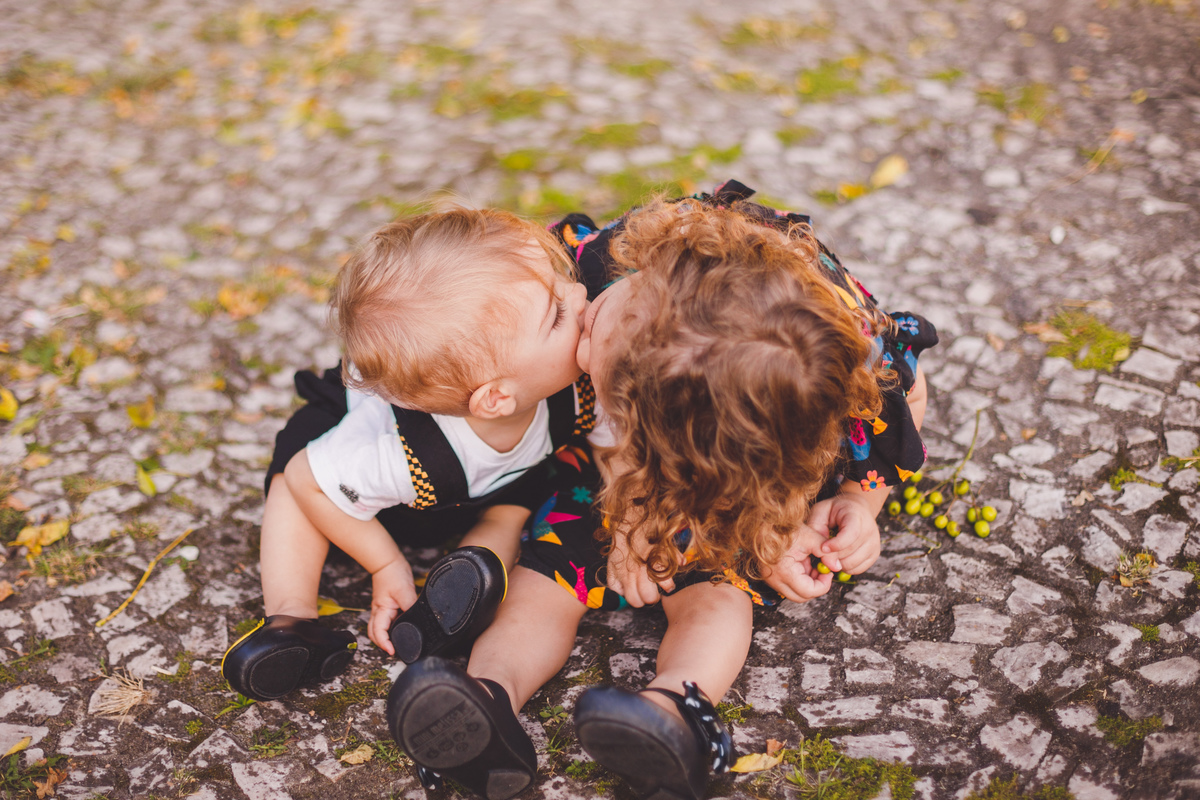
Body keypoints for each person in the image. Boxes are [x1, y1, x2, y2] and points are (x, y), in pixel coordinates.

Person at [385, 184, 936, 800]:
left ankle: (674, 712)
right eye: (602, 323)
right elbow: (595, 416)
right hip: (618, 466)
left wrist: (858, 502)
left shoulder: (861, 358)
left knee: (720, 596)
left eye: (596, 351)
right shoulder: (613, 266)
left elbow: (900, 412)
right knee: (546, 577)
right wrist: (627, 514)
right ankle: (488, 700)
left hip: (727, 476)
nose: (583, 337)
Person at [221, 206, 599, 702]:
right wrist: (384, 565)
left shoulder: (570, 380)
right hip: (369, 486)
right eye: (557, 315)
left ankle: (462, 595)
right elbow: (307, 478)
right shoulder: (399, 454)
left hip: (492, 481)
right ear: (496, 397)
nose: (579, 294)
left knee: (516, 509)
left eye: (564, 279)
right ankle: (291, 621)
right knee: (292, 479)